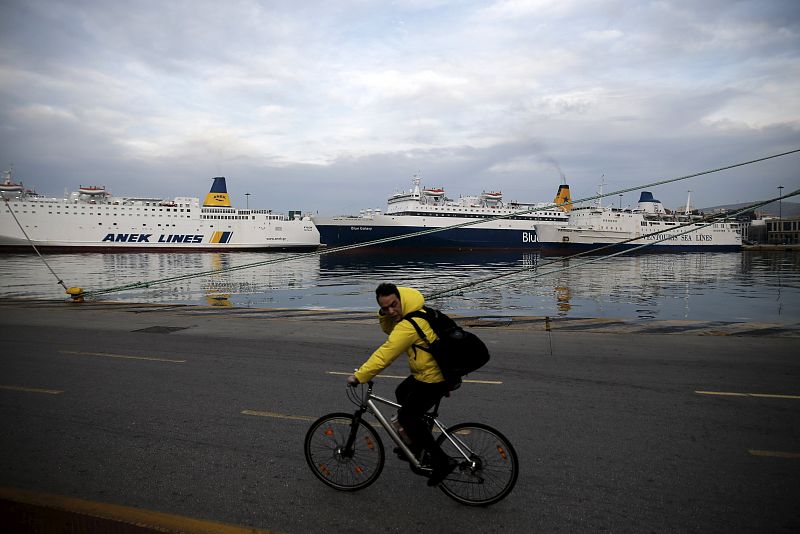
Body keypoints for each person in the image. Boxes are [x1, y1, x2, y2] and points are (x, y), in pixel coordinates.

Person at [347, 283, 458, 487]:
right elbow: (390, 328)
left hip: (432, 378)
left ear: (400, 299)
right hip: (427, 373)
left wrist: (360, 376)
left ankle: (442, 461)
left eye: (393, 305)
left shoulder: (410, 324)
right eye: (385, 308)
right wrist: (385, 314)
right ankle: (417, 442)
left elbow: (386, 354)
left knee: (408, 416)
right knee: (401, 392)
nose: (391, 311)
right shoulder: (413, 311)